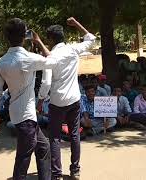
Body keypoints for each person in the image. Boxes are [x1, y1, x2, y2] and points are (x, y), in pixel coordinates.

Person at [0, 18, 58, 180]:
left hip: (18, 113)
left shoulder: (1, 62)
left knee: (43, 147)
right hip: (27, 116)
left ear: (7, 37)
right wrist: (39, 41)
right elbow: (53, 61)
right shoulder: (28, 58)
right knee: (23, 157)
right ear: (24, 37)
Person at [36, 18, 96, 180]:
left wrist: (40, 101)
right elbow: (91, 39)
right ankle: (75, 170)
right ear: (63, 36)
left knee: (54, 137)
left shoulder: (51, 56)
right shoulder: (72, 49)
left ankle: (57, 174)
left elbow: (46, 83)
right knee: (74, 135)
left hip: (57, 102)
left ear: (50, 39)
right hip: (74, 99)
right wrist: (77, 23)